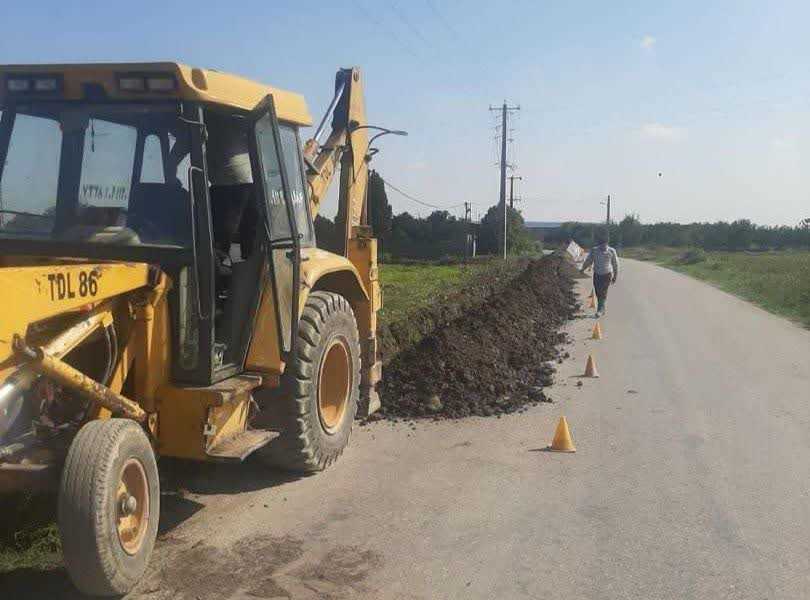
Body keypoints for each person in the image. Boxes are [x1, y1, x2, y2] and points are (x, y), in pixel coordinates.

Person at [581, 232, 619, 317]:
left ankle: (600, 310)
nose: (603, 246)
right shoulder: (594, 250)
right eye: (601, 244)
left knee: (603, 292)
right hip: (597, 274)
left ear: (607, 243)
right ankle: (602, 308)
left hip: (607, 275)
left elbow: (615, 264)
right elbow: (589, 261)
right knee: (598, 292)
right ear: (599, 243)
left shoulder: (611, 251)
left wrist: (615, 276)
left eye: (605, 244)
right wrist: (582, 269)